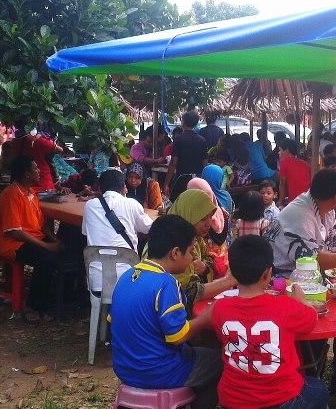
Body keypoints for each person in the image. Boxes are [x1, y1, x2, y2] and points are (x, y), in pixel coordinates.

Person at [109, 215, 222, 408]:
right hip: (160, 372)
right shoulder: (166, 284)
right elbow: (178, 336)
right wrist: (205, 318)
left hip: (124, 368)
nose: (193, 258)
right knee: (219, 360)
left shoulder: (127, 276)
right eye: (190, 252)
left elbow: (114, 321)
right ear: (176, 253)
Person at [211, 235, 328, 409]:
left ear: (233, 273)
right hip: (281, 399)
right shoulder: (286, 306)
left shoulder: (219, 308)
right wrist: (301, 301)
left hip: (233, 399)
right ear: (268, 273)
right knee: (319, 389)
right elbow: (311, 320)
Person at [0, 156, 62, 322]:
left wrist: (55, 240)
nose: (39, 172)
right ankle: (34, 306)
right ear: (26, 174)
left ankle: (56, 299)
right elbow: (15, 232)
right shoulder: (12, 194)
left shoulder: (31, 193)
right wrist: (46, 246)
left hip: (33, 239)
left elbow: (41, 226)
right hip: (15, 244)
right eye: (36, 169)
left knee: (64, 251)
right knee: (46, 259)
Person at [265, 169, 336, 277]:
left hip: (307, 275)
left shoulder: (327, 210)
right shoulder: (300, 214)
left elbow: (333, 249)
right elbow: (311, 260)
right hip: (277, 277)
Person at [81, 169, 153, 292]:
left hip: (96, 282)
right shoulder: (132, 204)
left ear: (100, 188)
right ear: (123, 187)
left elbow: (85, 233)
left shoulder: (89, 205)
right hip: (127, 279)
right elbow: (149, 228)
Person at [163, 189, 236, 306]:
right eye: (203, 219)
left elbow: (210, 258)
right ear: (188, 214)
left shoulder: (197, 238)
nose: (208, 224)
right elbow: (189, 292)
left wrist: (205, 266)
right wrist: (229, 281)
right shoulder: (168, 243)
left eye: (210, 217)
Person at [6, 122, 64, 192]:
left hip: (23, 185)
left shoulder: (15, 142)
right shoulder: (40, 141)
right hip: (43, 184)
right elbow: (60, 150)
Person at [165, 111, 208, 196]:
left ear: (183, 122)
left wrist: (166, 183)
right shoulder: (202, 140)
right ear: (195, 123)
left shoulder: (178, 139)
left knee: (179, 205)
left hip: (181, 179)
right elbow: (205, 163)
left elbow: (173, 163)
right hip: (197, 179)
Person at [277, 139, 312, 206]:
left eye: (280, 150)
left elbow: (282, 184)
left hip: (295, 201)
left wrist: (280, 203)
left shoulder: (284, 162)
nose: (279, 153)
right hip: (308, 200)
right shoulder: (305, 164)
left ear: (287, 151)